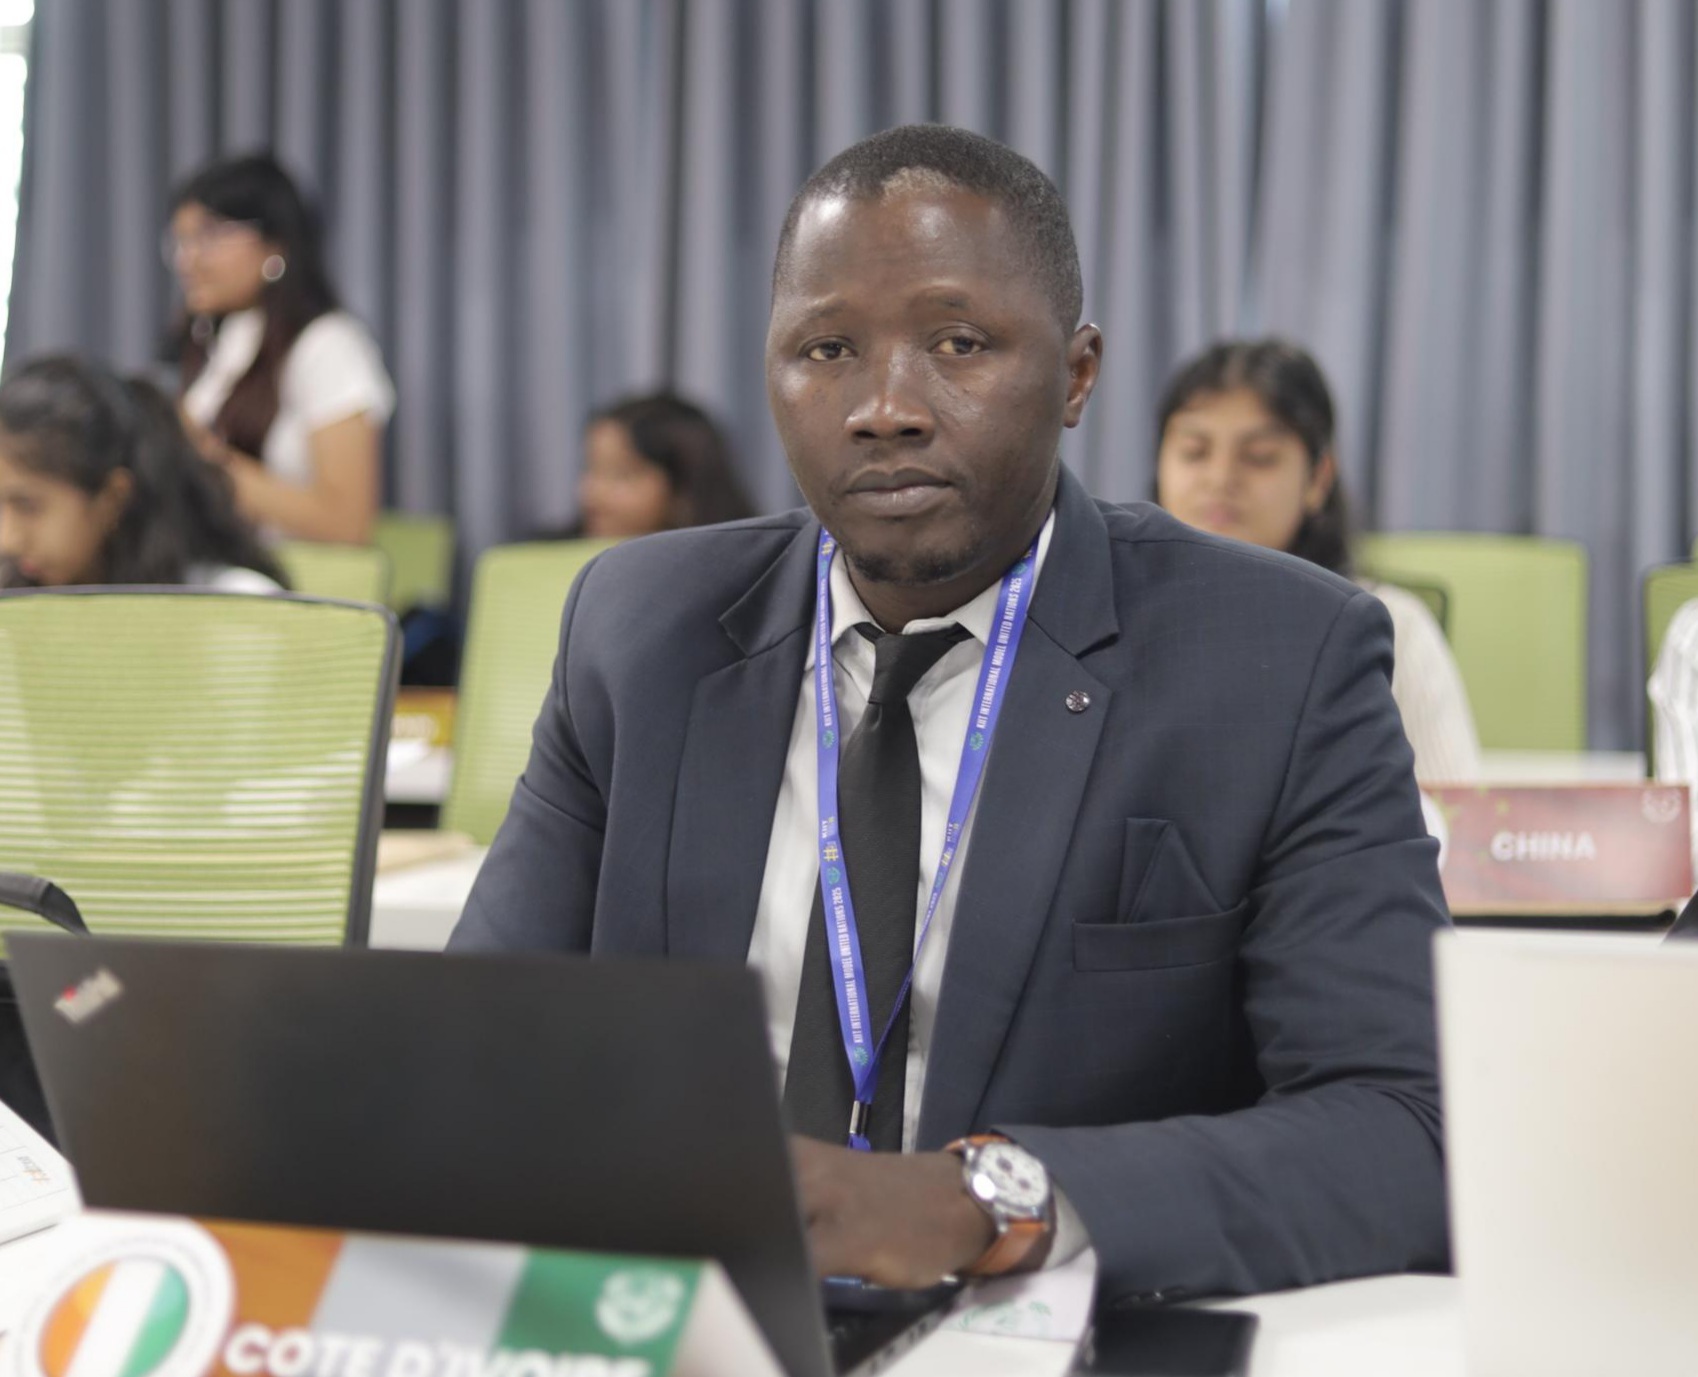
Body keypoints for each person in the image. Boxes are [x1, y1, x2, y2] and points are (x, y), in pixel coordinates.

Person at [450, 125, 1449, 1303]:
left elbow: (1406, 1132)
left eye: (958, 344)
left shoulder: (1278, 659)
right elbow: (472, 1059)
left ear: (1077, 375)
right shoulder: (640, 632)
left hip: (1037, 1324)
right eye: (826, 349)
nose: (884, 408)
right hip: (677, 1318)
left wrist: (984, 1203)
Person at [1154, 339, 1482, 782]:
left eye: (1259, 458)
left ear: (1318, 479)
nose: (1220, 478)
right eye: (1194, 451)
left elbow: (1452, 808)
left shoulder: (1391, 627)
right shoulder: (1118, 619)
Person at [165, 153, 393, 544]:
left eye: (208, 237)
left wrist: (202, 458)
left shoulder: (328, 346)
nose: (188, 260)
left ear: (275, 243)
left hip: (289, 576)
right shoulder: (222, 340)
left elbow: (349, 525)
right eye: (180, 241)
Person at [0, 355, 285, 592]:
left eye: (27, 506)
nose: (6, 539)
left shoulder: (233, 603)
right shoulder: (15, 605)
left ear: (112, 498)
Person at [569, 392, 755, 539]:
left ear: (683, 490)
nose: (591, 492)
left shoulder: (746, 562)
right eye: (590, 469)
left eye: (622, 475)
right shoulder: (558, 552)